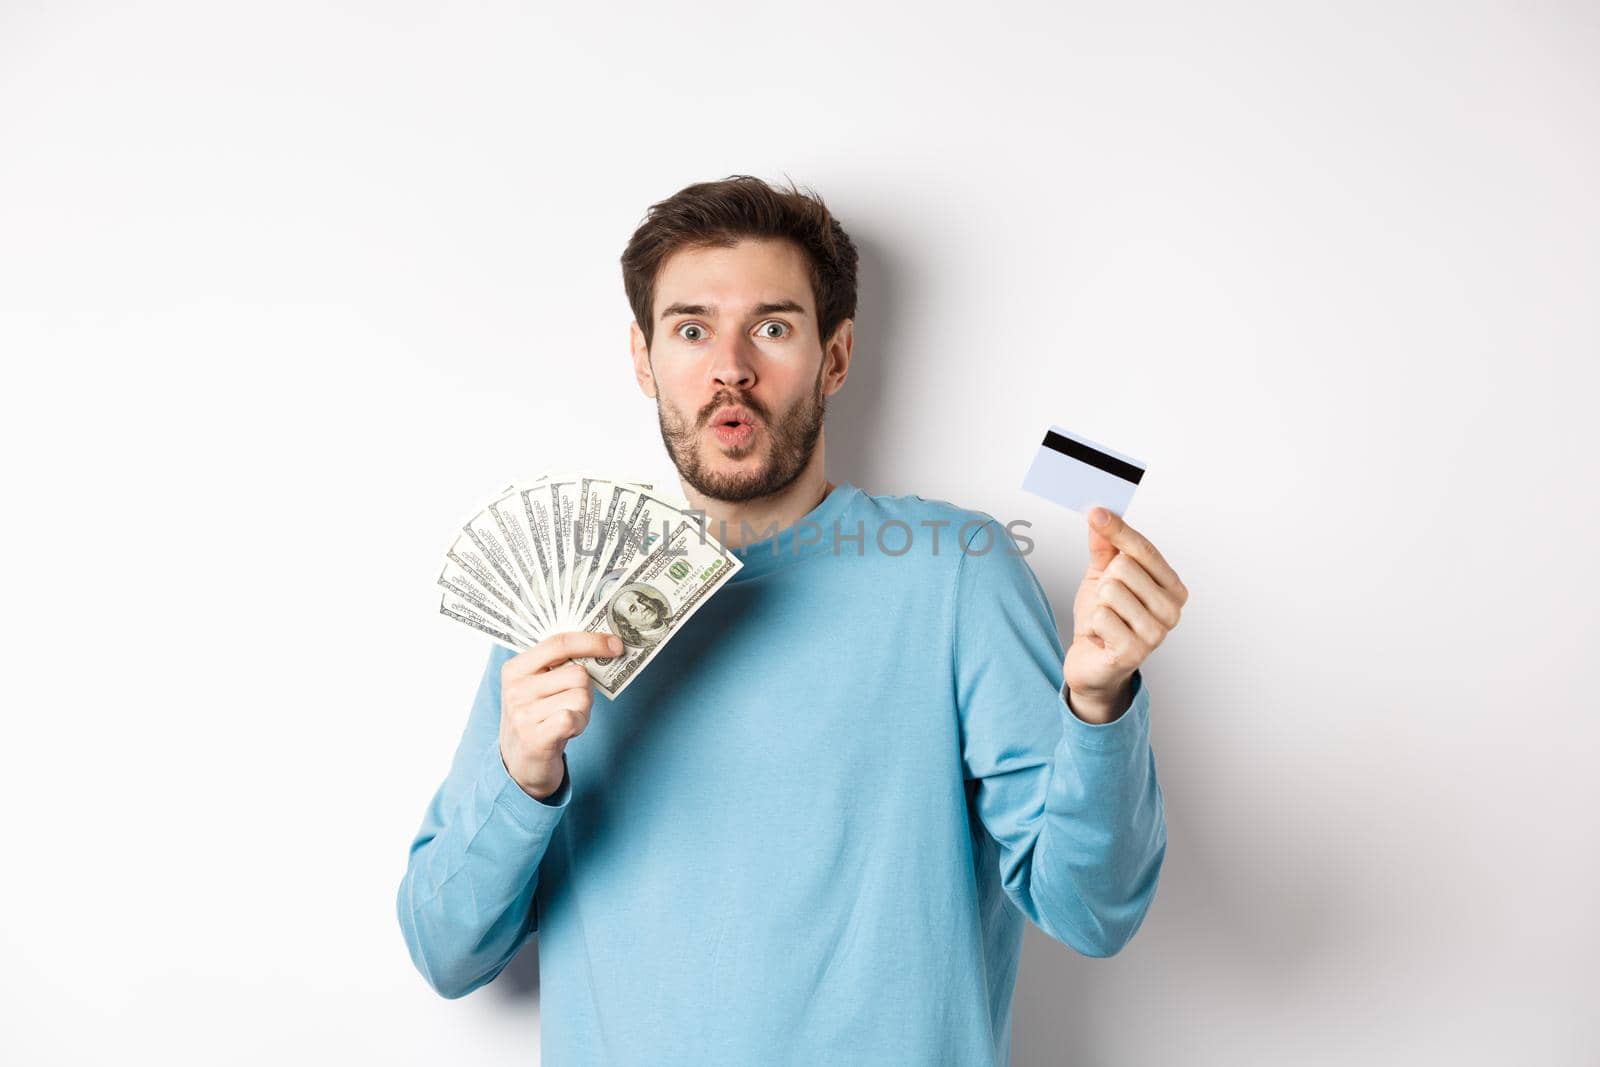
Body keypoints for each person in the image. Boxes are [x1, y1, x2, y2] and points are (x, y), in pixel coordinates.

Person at [396, 175, 1188, 1065]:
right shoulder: (566, 602)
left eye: (771, 327)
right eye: (691, 329)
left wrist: (1099, 705)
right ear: (643, 358)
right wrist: (523, 774)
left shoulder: (956, 575)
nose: (730, 365)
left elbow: (1093, 910)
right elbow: (445, 949)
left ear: (836, 357)